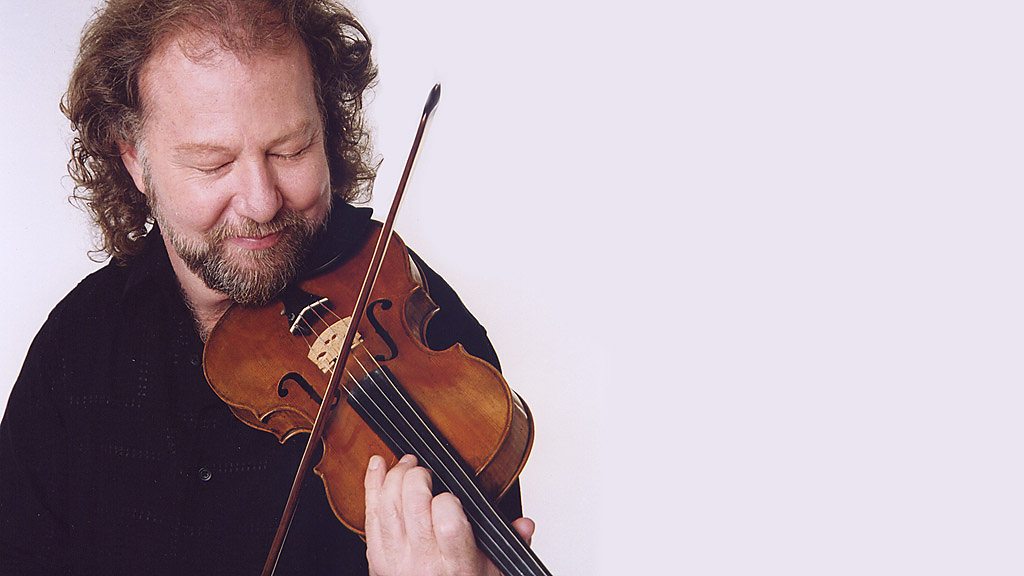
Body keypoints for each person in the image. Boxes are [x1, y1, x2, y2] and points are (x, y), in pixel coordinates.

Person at [0, 1, 535, 574]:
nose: (261, 203)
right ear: (135, 160)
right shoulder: (78, 348)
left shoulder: (429, 332)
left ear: (327, 131)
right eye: (212, 164)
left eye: (290, 149)